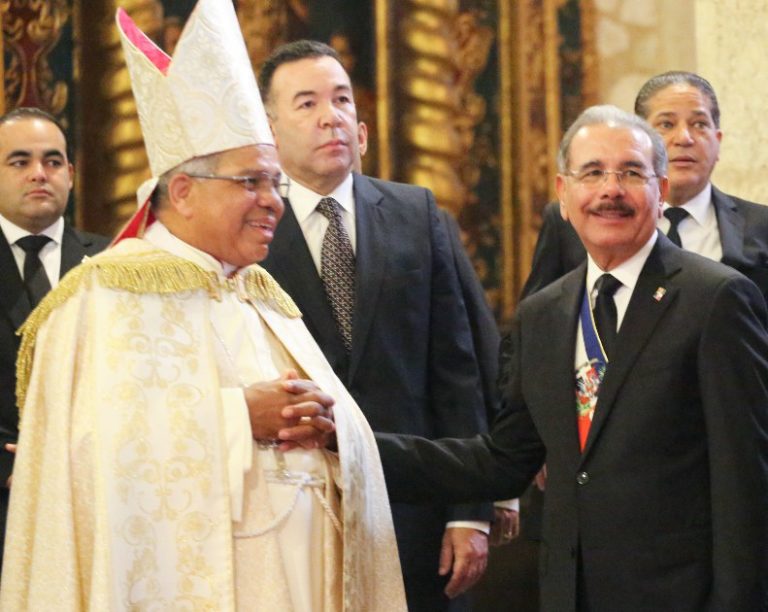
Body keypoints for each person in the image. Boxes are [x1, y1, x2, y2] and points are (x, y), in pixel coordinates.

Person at [0, 2, 406, 610]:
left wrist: (329, 428)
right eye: (251, 182)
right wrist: (239, 418)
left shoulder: (266, 300)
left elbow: (351, 436)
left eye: (276, 183)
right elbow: (81, 466)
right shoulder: (100, 300)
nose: (272, 201)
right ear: (183, 190)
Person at [377, 105, 768, 611]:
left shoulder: (715, 299)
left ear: (661, 190)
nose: (610, 189)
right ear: (563, 195)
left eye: (631, 172)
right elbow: (503, 459)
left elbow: (747, 483)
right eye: (592, 173)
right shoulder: (544, 313)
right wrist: (357, 445)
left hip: (679, 596)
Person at [258, 40, 492, 609]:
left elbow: (454, 371)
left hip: (413, 507)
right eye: (307, 103)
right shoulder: (250, 230)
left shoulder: (416, 213)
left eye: (341, 99)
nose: (330, 116)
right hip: (291, 510)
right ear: (268, 126)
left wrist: (470, 508)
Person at [522, 71, 768, 302]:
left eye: (700, 124)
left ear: (718, 141)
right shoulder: (579, 218)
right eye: (667, 124)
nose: (684, 138)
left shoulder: (760, 225)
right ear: (638, 139)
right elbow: (540, 320)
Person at [0, 107, 109, 571]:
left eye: (52, 161)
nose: (39, 174)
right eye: (19, 161)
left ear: (72, 173)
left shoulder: (116, 263)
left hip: (95, 498)